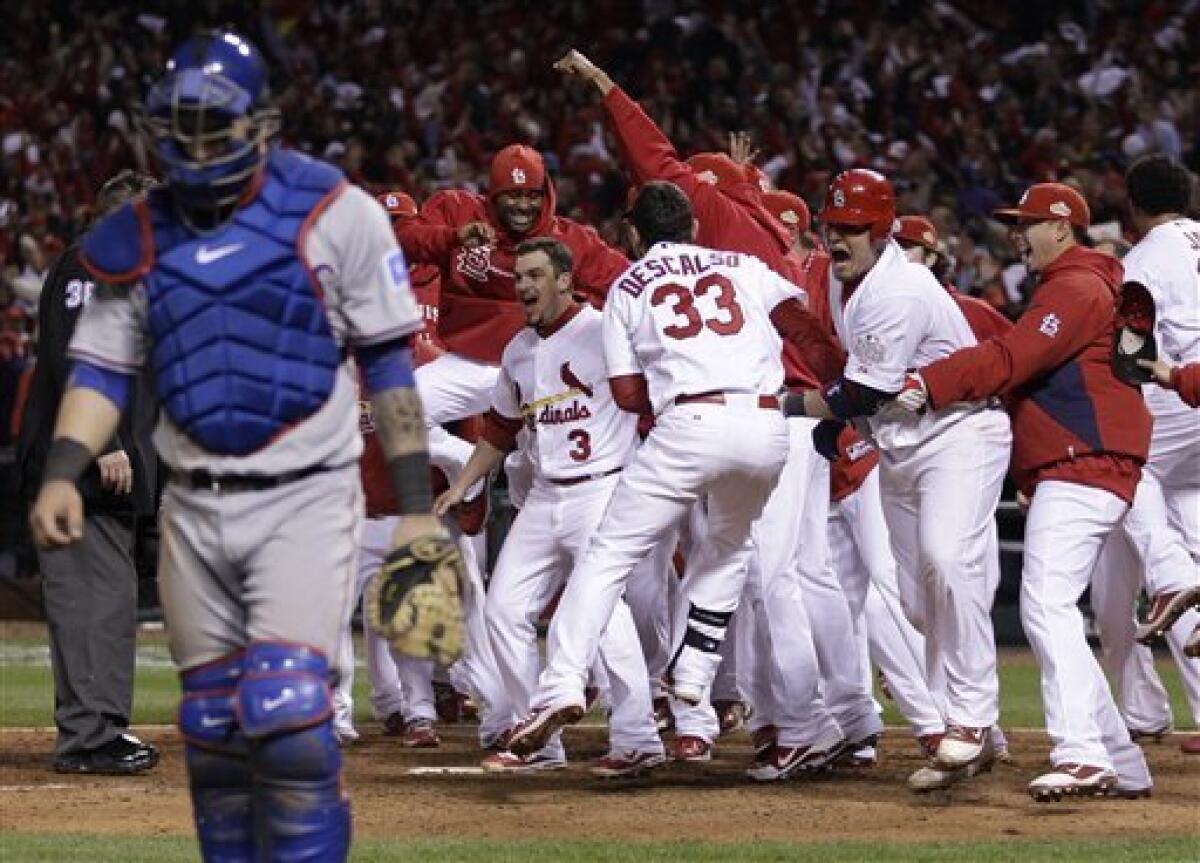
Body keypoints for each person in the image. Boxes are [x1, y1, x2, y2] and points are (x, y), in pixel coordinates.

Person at [27, 32, 445, 862]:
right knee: (218, 734)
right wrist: (67, 465)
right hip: (195, 497)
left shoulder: (338, 215)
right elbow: (97, 368)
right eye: (181, 123)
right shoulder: (129, 248)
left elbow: (389, 368)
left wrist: (415, 505)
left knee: (285, 717)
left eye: (213, 122)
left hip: (296, 494)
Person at [556, 49, 876, 774]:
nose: (680, 190)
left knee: (772, 575)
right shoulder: (755, 228)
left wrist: (609, 89)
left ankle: (805, 720)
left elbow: (657, 159)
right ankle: (794, 717)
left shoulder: (720, 225)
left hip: (775, 414)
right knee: (776, 573)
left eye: (699, 185)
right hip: (781, 413)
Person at [505, 181, 839, 762]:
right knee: (730, 549)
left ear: (633, 233)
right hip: (766, 426)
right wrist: (844, 384)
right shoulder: (741, 264)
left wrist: (673, 402)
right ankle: (693, 675)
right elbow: (803, 326)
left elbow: (629, 395)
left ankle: (560, 684)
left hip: (689, 422)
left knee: (608, 554)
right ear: (693, 227)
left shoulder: (626, 286)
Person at [901, 182, 1154, 800]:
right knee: (1055, 609)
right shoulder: (1084, 283)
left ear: (1063, 228)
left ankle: (1081, 754)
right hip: (1085, 462)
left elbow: (1012, 358)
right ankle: (1121, 759)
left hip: (1084, 459)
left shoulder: (1075, 286)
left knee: (1044, 605)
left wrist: (929, 381)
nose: (1018, 234)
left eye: (1029, 222)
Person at [784, 169, 1012, 793]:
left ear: (881, 229)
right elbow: (864, 389)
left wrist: (790, 407)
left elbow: (864, 388)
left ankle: (967, 717)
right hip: (902, 448)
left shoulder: (899, 288)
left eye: (853, 228)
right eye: (832, 225)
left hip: (961, 434)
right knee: (916, 600)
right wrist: (843, 427)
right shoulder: (840, 282)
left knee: (945, 562)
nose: (839, 237)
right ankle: (979, 730)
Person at [434, 237, 666, 777]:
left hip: (602, 488)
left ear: (564, 279)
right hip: (544, 493)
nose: (524, 286)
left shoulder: (606, 330)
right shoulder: (517, 350)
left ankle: (637, 737)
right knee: (503, 610)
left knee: (604, 615)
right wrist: (464, 483)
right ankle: (537, 737)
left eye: (535, 275)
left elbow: (651, 396)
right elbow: (499, 429)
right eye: (519, 277)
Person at [15, 169, 160, 775]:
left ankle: (99, 729)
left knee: (110, 599)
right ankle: (88, 738)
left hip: (105, 472)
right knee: (89, 601)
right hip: (82, 470)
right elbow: (74, 352)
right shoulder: (89, 265)